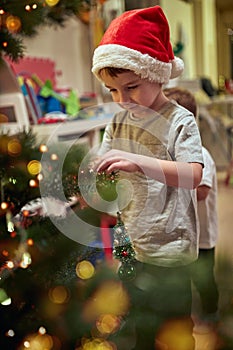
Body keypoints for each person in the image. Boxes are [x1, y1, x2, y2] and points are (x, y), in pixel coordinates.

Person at [91, 6, 204, 350]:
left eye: (132, 87)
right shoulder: (119, 121)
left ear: (159, 74)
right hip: (131, 245)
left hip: (170, 249)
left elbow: (193, 176)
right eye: (112, 90)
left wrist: (139, 162)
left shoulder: (180, 121)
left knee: (174, 332)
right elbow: (102, 166)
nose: (122, 100)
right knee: (139, 326)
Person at [163, 86, 219, 333]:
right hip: (185, 235)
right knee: (185, 276)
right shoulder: (172, 154)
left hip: (203, 235)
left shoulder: (201, 155)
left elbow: (202, 191)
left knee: (204, 278)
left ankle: (212, 313)